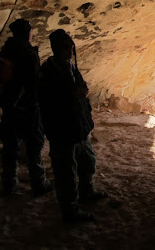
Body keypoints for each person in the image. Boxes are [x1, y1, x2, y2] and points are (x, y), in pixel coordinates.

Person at [39, 29, 107, 222]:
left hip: (78, 126)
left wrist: (81, 94)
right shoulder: (48, 72)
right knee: (65, 172)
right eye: (66, 49)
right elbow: (47, 102)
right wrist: (72, 96)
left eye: (70, 48)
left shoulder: (70, 68)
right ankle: (70, 211)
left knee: (87, 161)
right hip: (62, 130)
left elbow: (78, 88)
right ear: (57, 50)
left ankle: (87, 191)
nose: (70, 52)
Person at [0, 18, 52, 197]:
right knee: (34, 147)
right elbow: (35, 82)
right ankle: (39, 183)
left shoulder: (5, 51)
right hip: (28, 108)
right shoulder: (28, 53)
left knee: (10, 146)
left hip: (10, 107)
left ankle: (9, 184)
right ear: (28, 33)